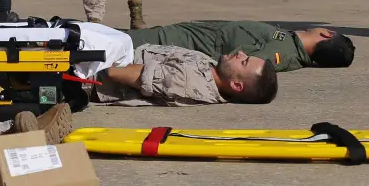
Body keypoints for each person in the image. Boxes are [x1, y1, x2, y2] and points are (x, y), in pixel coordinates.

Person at [126, 20, 355, 72]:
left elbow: (249, 65)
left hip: (183, 42)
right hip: (190, 35)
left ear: (327, 34)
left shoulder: (283, 52)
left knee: (117, 42)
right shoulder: (289, 45)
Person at [92, 44, 278, 106]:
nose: (241, 54)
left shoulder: (190, 81)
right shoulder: (213, 70)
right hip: (113, 49)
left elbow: (113, 72)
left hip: (92, 70)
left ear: (237, 85)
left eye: (244, 62)